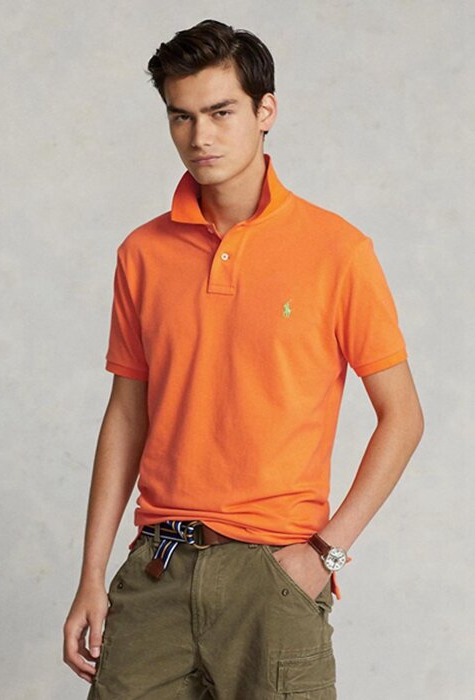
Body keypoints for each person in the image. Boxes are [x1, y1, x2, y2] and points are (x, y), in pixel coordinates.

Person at [63, 18, 424, 699]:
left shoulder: (336, 251)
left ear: (265, 112)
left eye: (221, 112)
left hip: (274, 577)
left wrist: (324, 552)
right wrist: (90, 575)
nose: (200, 136)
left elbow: (402, 416)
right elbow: (126, 417)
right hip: (158, 569)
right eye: (181, 116)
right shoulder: (142, 254)